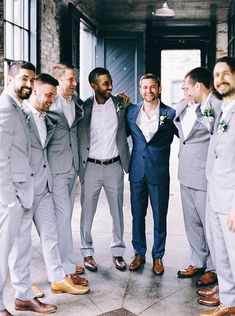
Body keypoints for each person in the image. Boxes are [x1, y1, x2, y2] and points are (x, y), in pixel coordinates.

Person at [8, 73, 89, 303]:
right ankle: (22, 284)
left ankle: (57, 278)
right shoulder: (18, 116)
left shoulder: (48, 117)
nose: (51, 99)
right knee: (21, 241)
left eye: (54, 95)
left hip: (43, 186)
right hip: (22, 188)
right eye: (48, 94)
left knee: (51, 234)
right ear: (34, 90)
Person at [0, 61, 56, 315]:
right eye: (23, 78)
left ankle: (23, 296)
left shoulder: (18, 108)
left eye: (31, 80)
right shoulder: (4, 109)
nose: (28, 84)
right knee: (2, 253)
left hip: (24, 192)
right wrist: (8, 199)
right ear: (9, 79)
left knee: (21, 249)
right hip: (9, 197)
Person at [174, 68, 220, 306]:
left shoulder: (214, 107)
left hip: (204, 175)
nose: (184, 90)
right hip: (185, 174)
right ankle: (197, 260)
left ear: (198, 86)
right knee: (191, 222)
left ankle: (213, 268)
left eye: (186, 87)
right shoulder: (183, 107)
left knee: (209, 225)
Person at [77, 67, 130, 272]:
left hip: (115, 166)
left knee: (117, 211)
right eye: (105, 83)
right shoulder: (83, 108)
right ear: (94, 86)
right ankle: (87, 253)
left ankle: (118, 253)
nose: (110, 86)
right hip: (90, 167)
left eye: (110, 82)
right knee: (86, 212)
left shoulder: (120, 104)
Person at [126, 73, 177, 275]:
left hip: (159, 172)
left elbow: (187, 135)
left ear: (160, 88)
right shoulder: (131, 112)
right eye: (145, 87)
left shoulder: (170, 113)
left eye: (152, 87)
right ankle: (139, 253)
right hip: (137, 171)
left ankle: (158, 256)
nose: (149, 91)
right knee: (137, 215)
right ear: (140, 89)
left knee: (159, 217)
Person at [200, 56, 235, 316]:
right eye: (216, 75)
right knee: (221, 254)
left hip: (231, 199)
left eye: (225, 74)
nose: (220, 80)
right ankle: (229, 302)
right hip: (215, 194)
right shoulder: (222, 108)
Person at [46, 62, 84, 277]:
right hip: (55, 168)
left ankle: (63, 261)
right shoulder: (49, 104)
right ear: (59, 80)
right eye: (70, 79)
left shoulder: (76, 99)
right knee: (61, 217)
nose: (74, 83)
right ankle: (65, 268)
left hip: (72, 167)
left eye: (74, 79)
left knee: (66, 216)